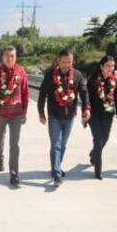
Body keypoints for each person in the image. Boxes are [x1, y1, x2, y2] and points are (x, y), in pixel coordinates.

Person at [37, 48, 91, 187]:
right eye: (64, 62)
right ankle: (56, 174)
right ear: (58, 60)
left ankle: (57, 166)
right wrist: (41, 113)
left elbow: (84, 93)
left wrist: (86, 109)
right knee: (56, 144)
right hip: (54, 115)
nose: (67, 65)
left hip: (70, 116)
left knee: (62, 145)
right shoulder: (50, 75)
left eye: (70, 62)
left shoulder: (78, 75)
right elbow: (42, 94)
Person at [0, 45, 29, 187]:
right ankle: (0, 158)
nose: (9, 58)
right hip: (0, 113)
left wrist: (25, 112)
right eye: (7, 56)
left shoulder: (22, 72)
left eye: (12, 56)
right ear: (2, 57)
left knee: (14, 144)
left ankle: (14, 174)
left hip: (16, 114)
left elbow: (25, 93)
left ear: (15, 57)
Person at [86, 56, 117, 180]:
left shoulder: (115, 83)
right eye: (108, 66)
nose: (110, 69)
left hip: (108, 116)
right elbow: (87, 98)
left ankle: (93, 155)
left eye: (112, 66)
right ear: (101, 66)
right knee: (98, 139)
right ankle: (98, 171)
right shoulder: (92, 81)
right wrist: (85, 112)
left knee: (105, 139)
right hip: (94, 115)